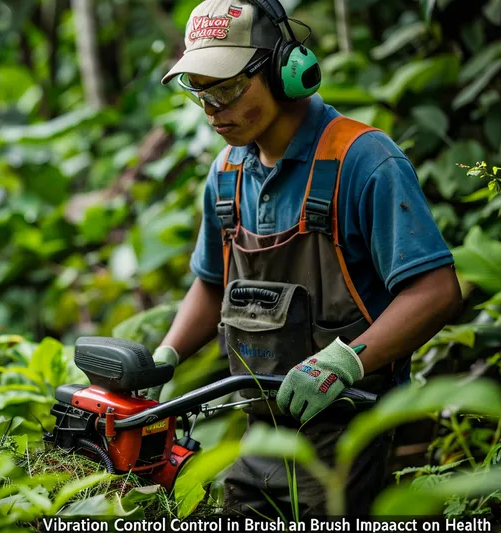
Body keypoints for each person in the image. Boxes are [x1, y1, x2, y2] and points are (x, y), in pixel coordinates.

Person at [147, 0, 463, 518]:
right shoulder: (226, 174)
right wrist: (165, 357)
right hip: (262, 437)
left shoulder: (365, 162)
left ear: (282, 69)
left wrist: (346, 361)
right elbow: (210, 284)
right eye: (199, 89)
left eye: (225, 87)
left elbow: (435, 290)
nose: (211, 108)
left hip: (358, 431)